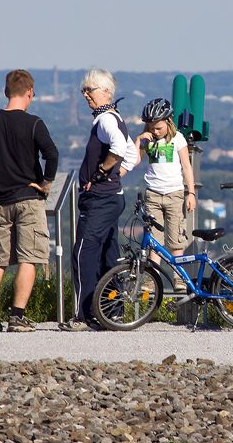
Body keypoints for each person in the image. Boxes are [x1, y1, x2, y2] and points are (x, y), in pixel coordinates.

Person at [0, 69, 59, 333]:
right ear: (30, 92)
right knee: (29, 257)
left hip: (1, 202)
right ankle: (17, 317)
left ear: (6, 92)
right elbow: (51, 154)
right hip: (29, 199)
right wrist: (46, 183)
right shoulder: (34, 123)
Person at [60, 69, 137, 331]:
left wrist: (103, 172)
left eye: (89, 90)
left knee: (84, 252)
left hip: (100, 200)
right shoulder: (114, 117)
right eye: (83, 90)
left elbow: (119, 148)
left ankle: (85, 315)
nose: (85, 95)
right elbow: (133, 155)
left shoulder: (106, 119)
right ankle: (112, 311)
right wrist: (116, 175)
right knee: (108, 254)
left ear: (105, 92)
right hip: (112, 198)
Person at [134, 98, 196, 291]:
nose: (155, 131)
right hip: (153, 194)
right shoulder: (148, 140)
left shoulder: (178, 139)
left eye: (158, 128)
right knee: (154, 240)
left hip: (174, 194)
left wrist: (191, 192)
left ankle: (179, 279)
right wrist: (138, 141)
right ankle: (152, 281)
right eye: (152, 127)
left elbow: (186, 166)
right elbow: (134, 161)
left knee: (176, 239)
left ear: (168, 122)